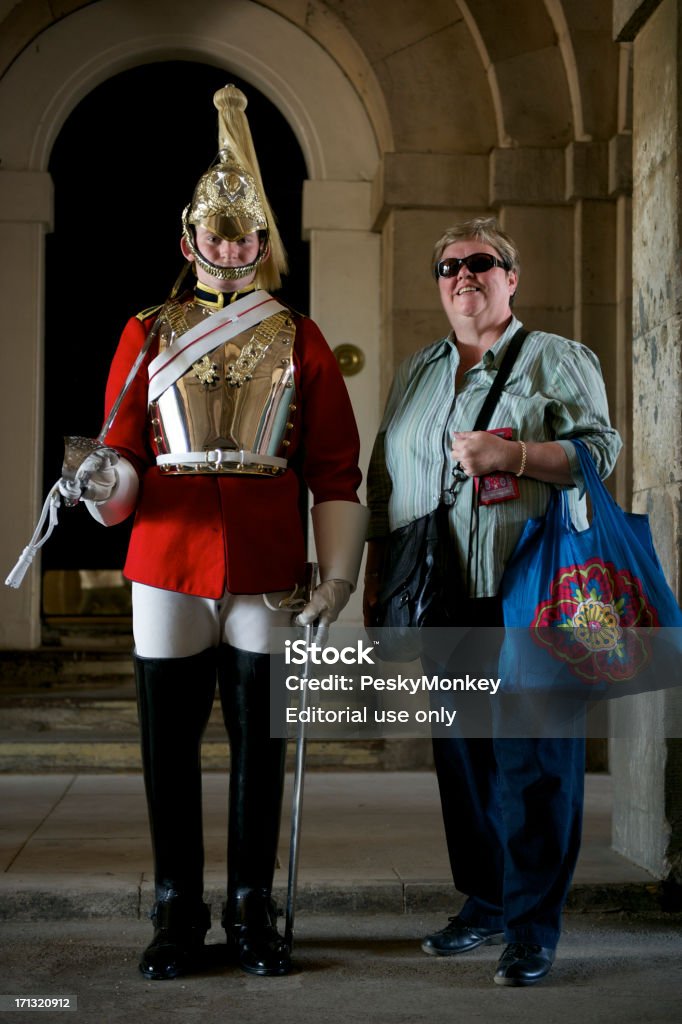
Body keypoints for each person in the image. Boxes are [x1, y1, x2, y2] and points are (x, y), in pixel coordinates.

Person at [61, 85, 368, 981]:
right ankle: (175, 911)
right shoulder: (146, 330)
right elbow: (121, 453)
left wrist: (338, 580)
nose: (231, 247)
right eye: (217, 233)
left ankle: (250, 910)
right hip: (166, 556)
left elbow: (336, 470)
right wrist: (97, 481)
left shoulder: (299, 335)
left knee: (259, 748)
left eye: (244, 235)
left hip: (270, 563)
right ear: (189, 239)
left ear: (260, 243)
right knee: (167, 750)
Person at [364, 217, 621, 987]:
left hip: (533, 589)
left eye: (482, 263)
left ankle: (533, 926)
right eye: (449, 267)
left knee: (537, 764)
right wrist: (378, 581)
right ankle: (486, 900)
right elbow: (386, 482)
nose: (464, 276)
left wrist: (513, 455)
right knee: (466, 760)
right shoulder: (416, 372)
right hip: (443, 592)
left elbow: (600, 451)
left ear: (513, 279)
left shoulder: (556, 359)